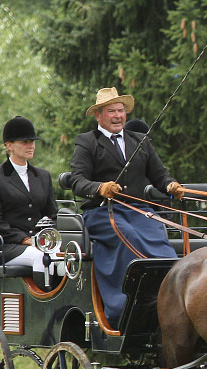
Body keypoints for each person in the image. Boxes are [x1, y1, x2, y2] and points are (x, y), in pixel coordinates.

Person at [68, 87, 185, 328]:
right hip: (102, 213)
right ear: (99, 116)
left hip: (139, 212)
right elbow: (77, 181)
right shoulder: (87, 142)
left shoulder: (139, 140)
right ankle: (125, 306)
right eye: (111, 111)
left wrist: (172, 185)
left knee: (158, 239)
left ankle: (171, 296)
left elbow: (159, 174)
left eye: (121, 110)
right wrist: (100, 188)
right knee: (128, 237)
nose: (118, 116)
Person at [0, 116, 62, 284]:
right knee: (41, 258)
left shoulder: (43, 176)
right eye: (25, 142)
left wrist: (47, 238)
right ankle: (43, 306)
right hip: (6, 246)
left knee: (63, 257)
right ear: (9, 145)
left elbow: (52, 214)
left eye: (32, 141)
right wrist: (24, 239)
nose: (30, 145)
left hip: (40, 243)